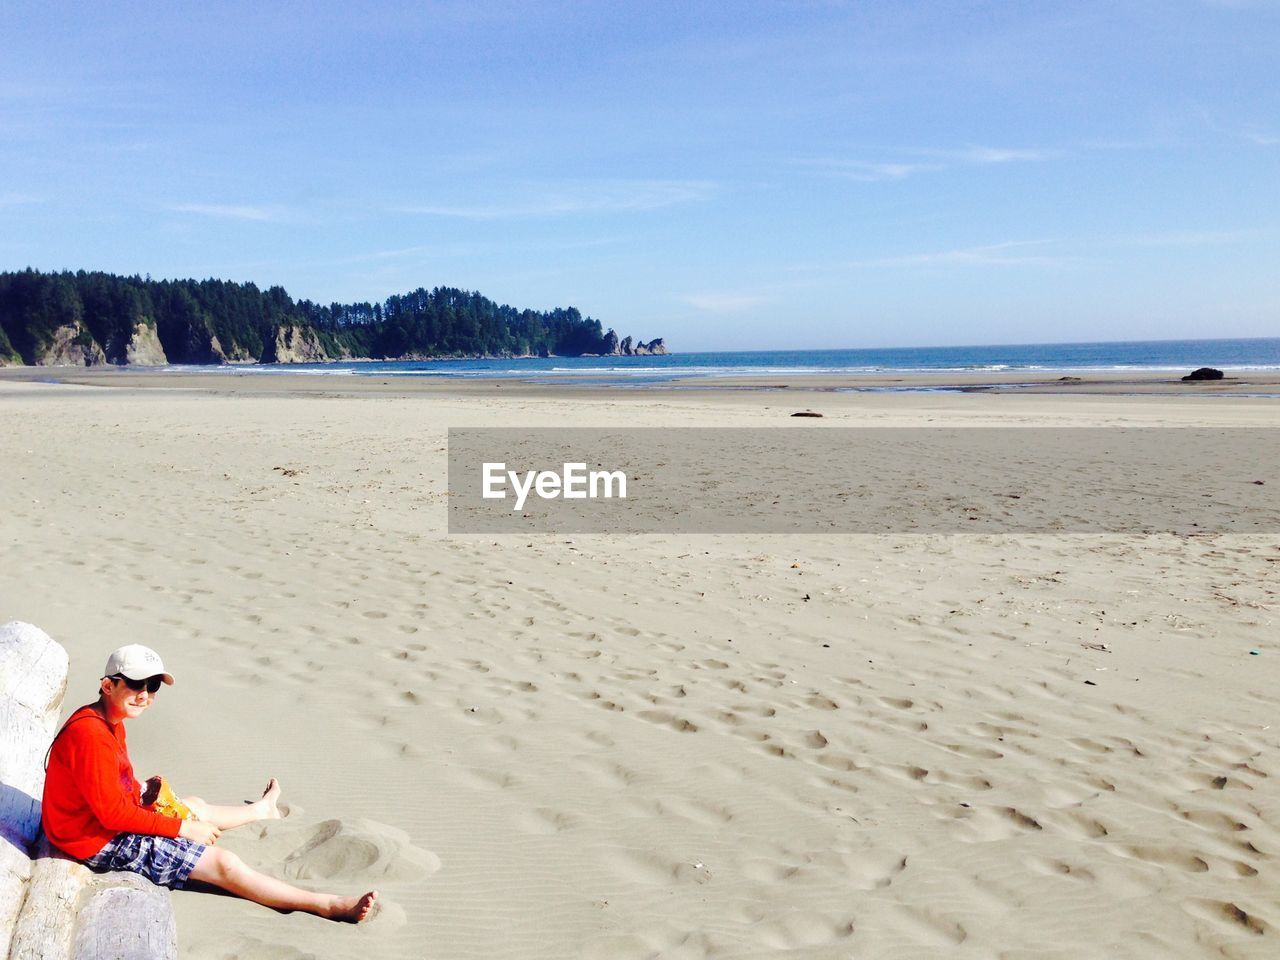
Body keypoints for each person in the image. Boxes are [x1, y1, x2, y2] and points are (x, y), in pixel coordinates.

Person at [41, 644, 377, 923]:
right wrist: (182, 829)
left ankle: (263, 809)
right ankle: (328, 905)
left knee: (196, 806)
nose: (144, 695)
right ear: (107, 685)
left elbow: (110, 789)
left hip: (95, 821)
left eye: (153, 686)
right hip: (91, 841)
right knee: (223, 863)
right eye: (135, 684)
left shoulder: (108, 720)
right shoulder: (91, 735)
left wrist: (153, 800)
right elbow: (112, 817)